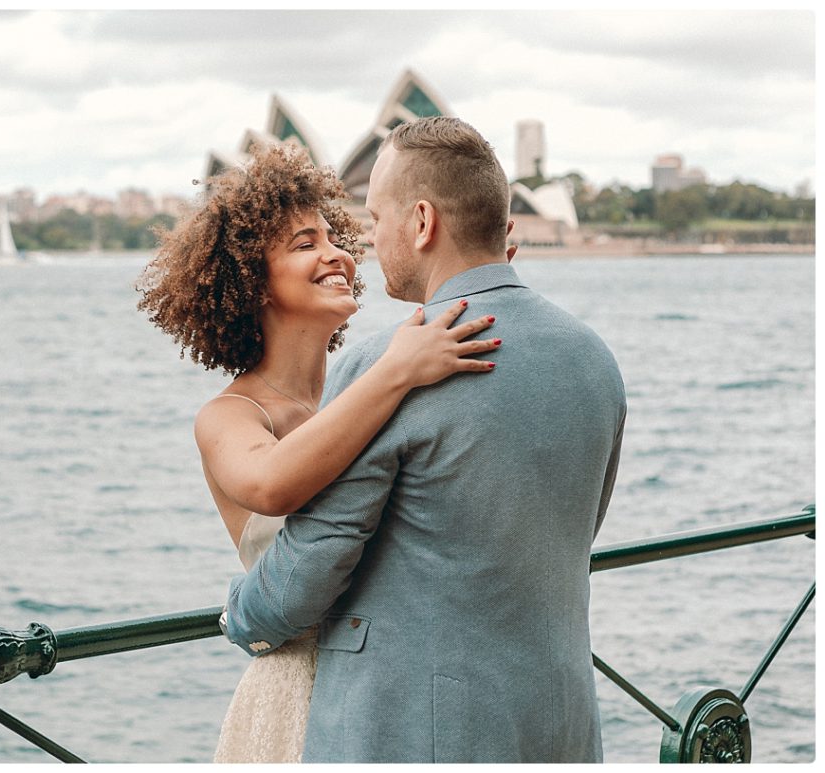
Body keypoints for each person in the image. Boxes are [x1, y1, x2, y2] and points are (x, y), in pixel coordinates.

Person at [220, 117, 627, 763]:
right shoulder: (592, 358)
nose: (370, 237)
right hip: (561, 721)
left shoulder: (388, 366)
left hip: (417, 732)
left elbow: (305, 575)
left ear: (422, 222)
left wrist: (236, 614)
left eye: (377, 216)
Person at [136, 142, 505, 762]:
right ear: (251, 280)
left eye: (333, 236)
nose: (335, 252)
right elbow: (275, 485)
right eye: (304, 243)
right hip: (299, 697)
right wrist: (394, 374)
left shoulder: (366, 388)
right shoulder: (230, 415)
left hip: (402, 690)